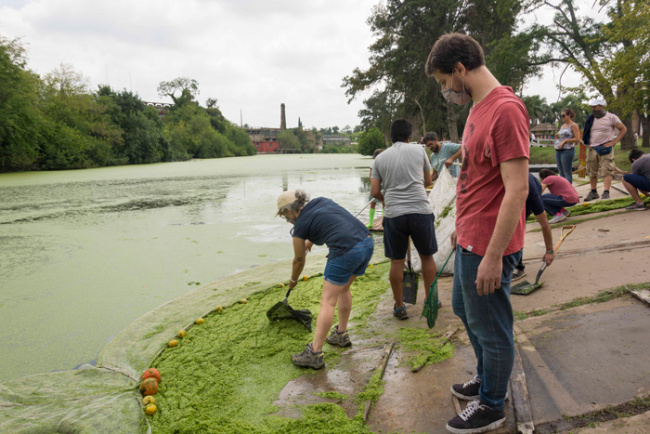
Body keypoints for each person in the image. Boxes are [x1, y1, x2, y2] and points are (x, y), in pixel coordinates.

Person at [426, 33, 529, 434]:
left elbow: (517, 189)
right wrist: (460, 228)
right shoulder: (477, 110)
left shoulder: (505, 110)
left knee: (492, 325)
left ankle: (491, 405)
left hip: (490, 245)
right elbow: (475, 178)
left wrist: (492, 255)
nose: (445, 91)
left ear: (459, 70)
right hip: (470, 236)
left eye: (442, 82)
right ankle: (489, 378)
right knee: (466, 311)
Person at [277, 190, 374, 369]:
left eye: (285, 215)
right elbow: (329, 222)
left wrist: (293, 280)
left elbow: (298, 260)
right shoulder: (321, 201)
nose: (287, 219)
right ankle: (341, 334)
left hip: (345, 250)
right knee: (344, 289)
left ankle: (314, 353)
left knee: (327, 302)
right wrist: (309, 243)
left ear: (290, 210)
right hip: (366, 243)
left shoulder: (300, 226)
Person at [371, 118, 438, 320]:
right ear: (409, 136)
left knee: (397, 262)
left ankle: (400, 306)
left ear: (391, 137)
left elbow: (374, 191)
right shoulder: (419, 151)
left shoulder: (379, 159)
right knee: (427, 257)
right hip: (420, 211)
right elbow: (427, 180)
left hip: (394, 216)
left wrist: (386, 201)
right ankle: (431, 300)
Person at [512, 174, 555, 281]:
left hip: (526, 196)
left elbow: (544, 223)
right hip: (511, 193)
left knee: (516, 230)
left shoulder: (531, 193)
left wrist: (549, 251)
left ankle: (518, 267)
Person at [582, 98, 627, 201]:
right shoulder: (590, 118)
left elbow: (623, 128)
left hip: (605, 148)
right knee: (592, 171)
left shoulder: (611, 117)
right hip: (592, 148)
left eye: (595, 107)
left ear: (601, 106)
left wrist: (615, 142)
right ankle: (593, 192)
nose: (593, 109)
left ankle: (606, 193)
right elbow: (587, 131)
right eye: (592, 107)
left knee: (607, 171)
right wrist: (586, 140)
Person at [554, 108, 581, 184]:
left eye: (563, 116)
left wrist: (565, 141)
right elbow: (562, 136)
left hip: (567, 150)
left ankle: (569, 192)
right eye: (561, 116)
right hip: (558, 150)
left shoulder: (574, 126)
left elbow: (577, 138)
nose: (562, 117)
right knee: (561, 172)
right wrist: (557, 136)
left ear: (569, 115)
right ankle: (563, 191)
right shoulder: (563, 126)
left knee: (567, 172)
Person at [367, 148, 385, 228]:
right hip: (376, 185)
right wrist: (375, 184)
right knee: (372, 203)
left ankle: (385, 222)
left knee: (385, 203)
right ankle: (370, 222)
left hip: (384, 185)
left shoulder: (386, 163)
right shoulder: (373, 164)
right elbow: (370, 176)